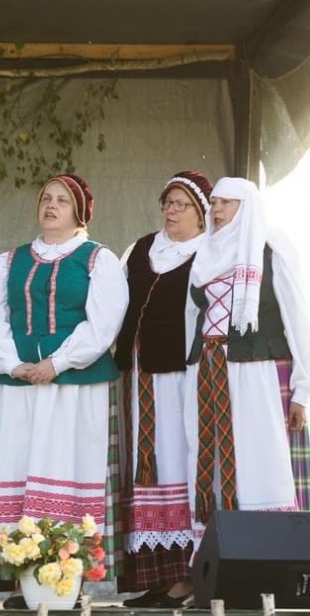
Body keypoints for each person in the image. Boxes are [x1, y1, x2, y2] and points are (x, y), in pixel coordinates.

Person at [0, 174, 128, 608]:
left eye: (62, 200)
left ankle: (67, 581)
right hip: (20, 384)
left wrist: (57, 363)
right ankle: (18, 578)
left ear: (81, 211)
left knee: (69, 469)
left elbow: (103, 325)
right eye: (46, 198)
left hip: (74, 388)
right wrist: (15, 364)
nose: (51, 206)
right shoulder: (9, 261)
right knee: (19, 466)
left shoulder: (97, 259)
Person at [184, 177, 308, 547]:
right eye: (213, 203)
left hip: (257, 372)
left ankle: (268, 554)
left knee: (260, 463)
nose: (216, 210)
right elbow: (193, 318)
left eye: (225, 203)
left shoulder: (270, 245)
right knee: (215, 464)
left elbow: (297, 316)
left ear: (247, 206)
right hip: (209, 372)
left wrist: (303, 388)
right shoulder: (204, 252)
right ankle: (220, 560)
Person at [115, 172, 212, 608]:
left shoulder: (208, 254)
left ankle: (184, 578)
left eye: (181, 205)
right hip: (136, 380)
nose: (171, 211)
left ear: (202, 215)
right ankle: (153, 577)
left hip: (181, 380)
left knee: (177, 462)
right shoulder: (138, 249)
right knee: (144, 465)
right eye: (167, 203)